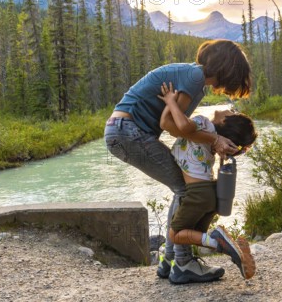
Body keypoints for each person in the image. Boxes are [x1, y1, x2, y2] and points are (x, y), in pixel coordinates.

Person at [104, 39, 252, 284]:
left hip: (125, 131)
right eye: (235, 77)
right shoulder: (195, 78)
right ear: (228, 68)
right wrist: (215, 138)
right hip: (127, 131)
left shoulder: (194, 78)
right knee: (186, 189)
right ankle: (182, 264)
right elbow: (169, 125)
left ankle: (169, 260)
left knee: (182, 188)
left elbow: (180, 127)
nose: (229, 88)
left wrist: (217, 140)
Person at [157, 81, 257, 283]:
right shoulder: (216, 142)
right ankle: (235, 252)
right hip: (210, 194)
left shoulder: (204, 125)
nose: (229, 108)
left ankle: (217, 242)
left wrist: (170, 101)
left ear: (226, 124)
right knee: (191, 234)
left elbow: (176, 125)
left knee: (175, 234)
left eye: (232, 113)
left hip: (198, 193)